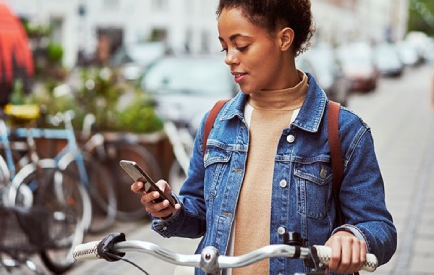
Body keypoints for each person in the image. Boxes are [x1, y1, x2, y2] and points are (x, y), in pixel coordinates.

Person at [131, 1, 397, 274]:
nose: (229, 58)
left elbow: (379, 228)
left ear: (284, 39)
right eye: (225, 47)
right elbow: (199, 214)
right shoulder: (216, 122)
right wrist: (170, 209)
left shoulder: (343, 130)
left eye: (242, 45)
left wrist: (352, 237)